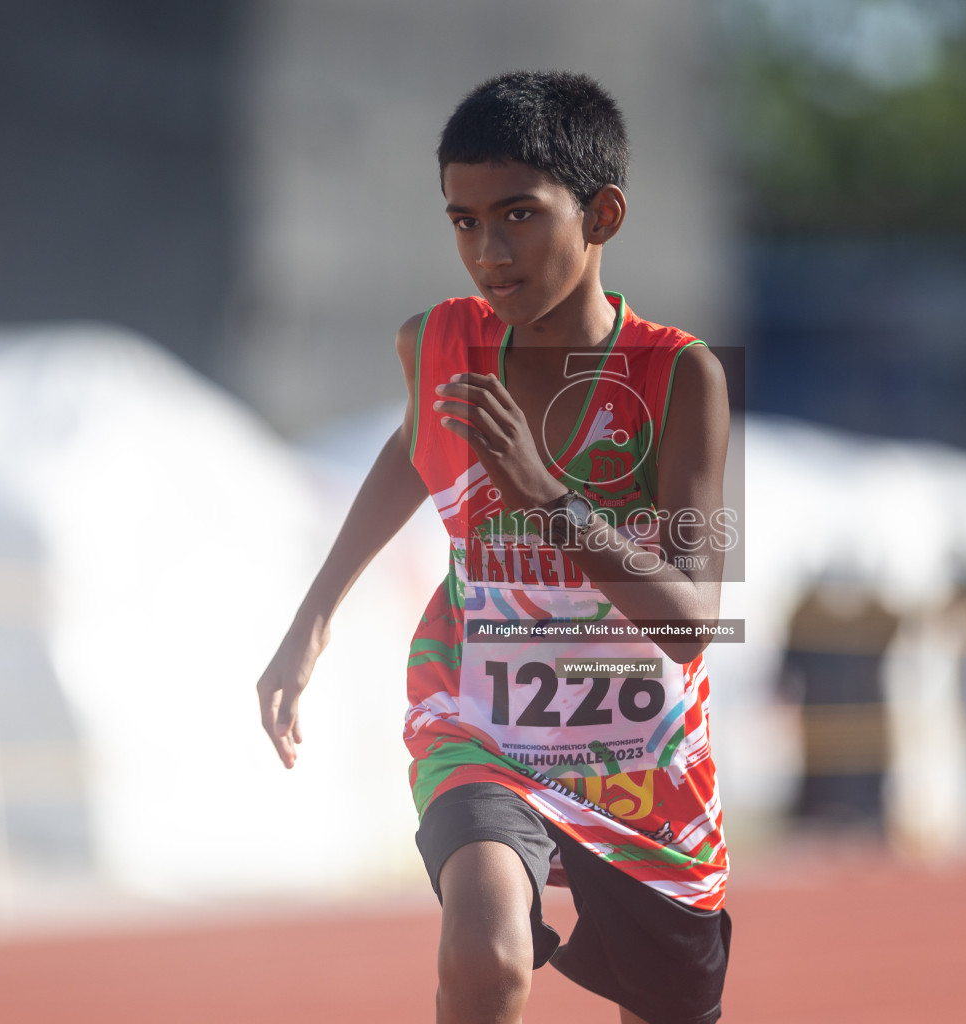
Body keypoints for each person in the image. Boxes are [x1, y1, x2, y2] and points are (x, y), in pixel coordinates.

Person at [255, 70, 732, 1024]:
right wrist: (311, 620)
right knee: (485, 954)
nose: (487, 250)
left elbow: (693, 624)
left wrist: (546, 493)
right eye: (463, 221)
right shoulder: (436, 346)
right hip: (481, 714)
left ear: (602, 214)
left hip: (640, 752)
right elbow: (412, 446)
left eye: (516, 214)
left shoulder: (680, 377)